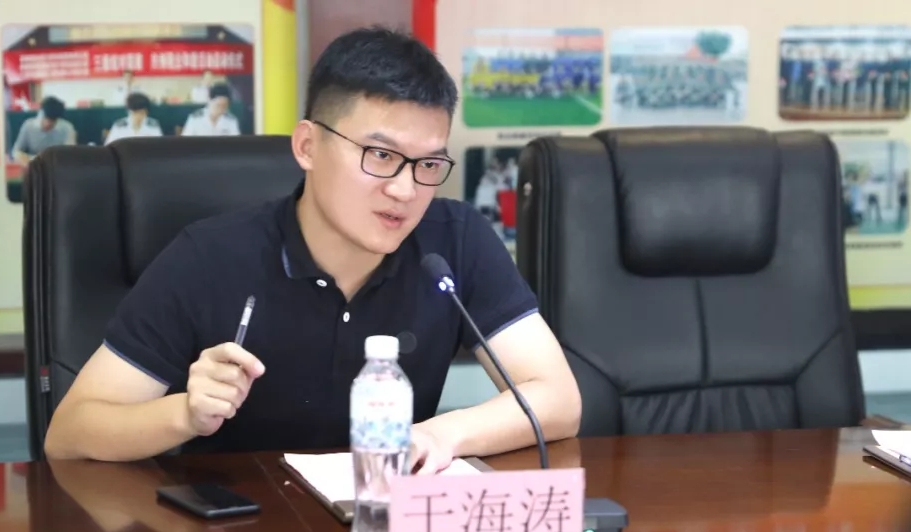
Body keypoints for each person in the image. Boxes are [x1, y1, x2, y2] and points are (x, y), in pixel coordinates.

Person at [43, 27, 582, 471]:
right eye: (380, 155)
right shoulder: (208, 257)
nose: (405, 189)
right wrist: (184, 413)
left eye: (428, 164)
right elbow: (69, 434)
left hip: (383, 530)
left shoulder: (454, 241)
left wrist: (441, 435)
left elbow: (558, 399)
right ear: (307, 146)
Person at [11, 96, 76, 164]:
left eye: (52, 121)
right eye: (46, 118)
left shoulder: (67, 128)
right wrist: (24, 159)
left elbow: (70, 154)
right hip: (33, 163)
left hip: (57, 165)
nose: (48, 124)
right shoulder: (28, 126)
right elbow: (16, 151)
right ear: (41, 113)